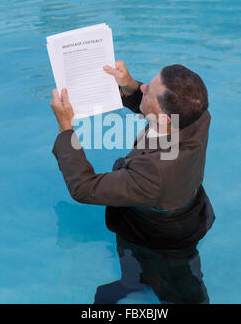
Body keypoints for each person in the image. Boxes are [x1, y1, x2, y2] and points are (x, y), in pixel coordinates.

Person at [50, 60, 215, 304]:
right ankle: (134, 282)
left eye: (149, 90)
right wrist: (129, 85)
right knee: (130, 249)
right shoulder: (198, 115)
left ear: (167, 119)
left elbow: (84, 188)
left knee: (183, 285)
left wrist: (65, 128)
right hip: (168, 208)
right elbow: (155, 107)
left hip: (166, 234)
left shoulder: (155, 172)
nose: (144, 86)